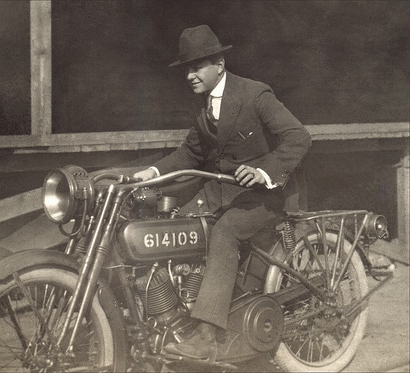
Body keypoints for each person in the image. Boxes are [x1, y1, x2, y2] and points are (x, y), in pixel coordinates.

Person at [134, 25, 312, 360]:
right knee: (194, 227)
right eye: (186, 68)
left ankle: (207, 336)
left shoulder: (254, 94)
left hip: (271, 195)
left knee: (225, 231)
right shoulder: (204, 109)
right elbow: (189, 153)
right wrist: (153, 172)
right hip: (234, 199)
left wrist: (263, 172)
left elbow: (298, 137)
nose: (190, 75)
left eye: (197, 66)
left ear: (219, 63)